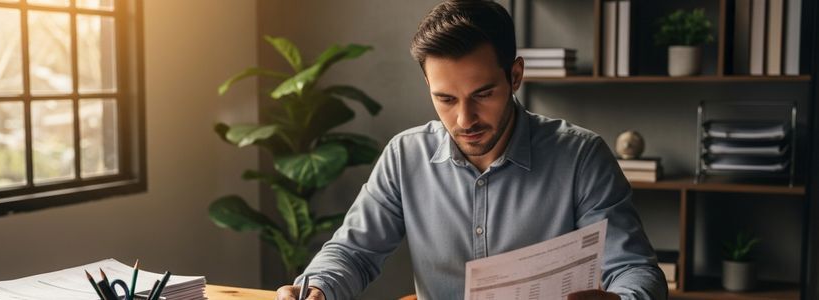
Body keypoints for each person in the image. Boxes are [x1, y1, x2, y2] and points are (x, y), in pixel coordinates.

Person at [276, 0, 666, 299]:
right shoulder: (404, 157)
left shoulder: (581, 157)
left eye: (483, 94)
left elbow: (635, 269)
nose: (465, 120)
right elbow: (353, 252)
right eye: (445, 98)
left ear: (515, 76)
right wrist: (320, 286)